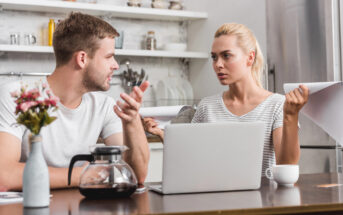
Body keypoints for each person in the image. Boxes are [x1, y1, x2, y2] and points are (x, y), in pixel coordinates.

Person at [0, 12, 150, 191]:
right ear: (82, 59)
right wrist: (85, 175)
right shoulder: (18, 95)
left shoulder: (104, 106)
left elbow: (137, 175)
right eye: (109, 56)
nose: (116, 65)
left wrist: (132, 122)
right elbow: (5, 176)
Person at [143, 23, 309, 174]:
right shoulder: (207, 106)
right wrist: (164, 136)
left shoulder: (277, 105)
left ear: (250, 58)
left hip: (264, 201)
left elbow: (287, 163)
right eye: (214, 57)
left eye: (226, 56)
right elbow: (191, 160)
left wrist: (291, 116)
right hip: (216, 201)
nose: (218, 65)